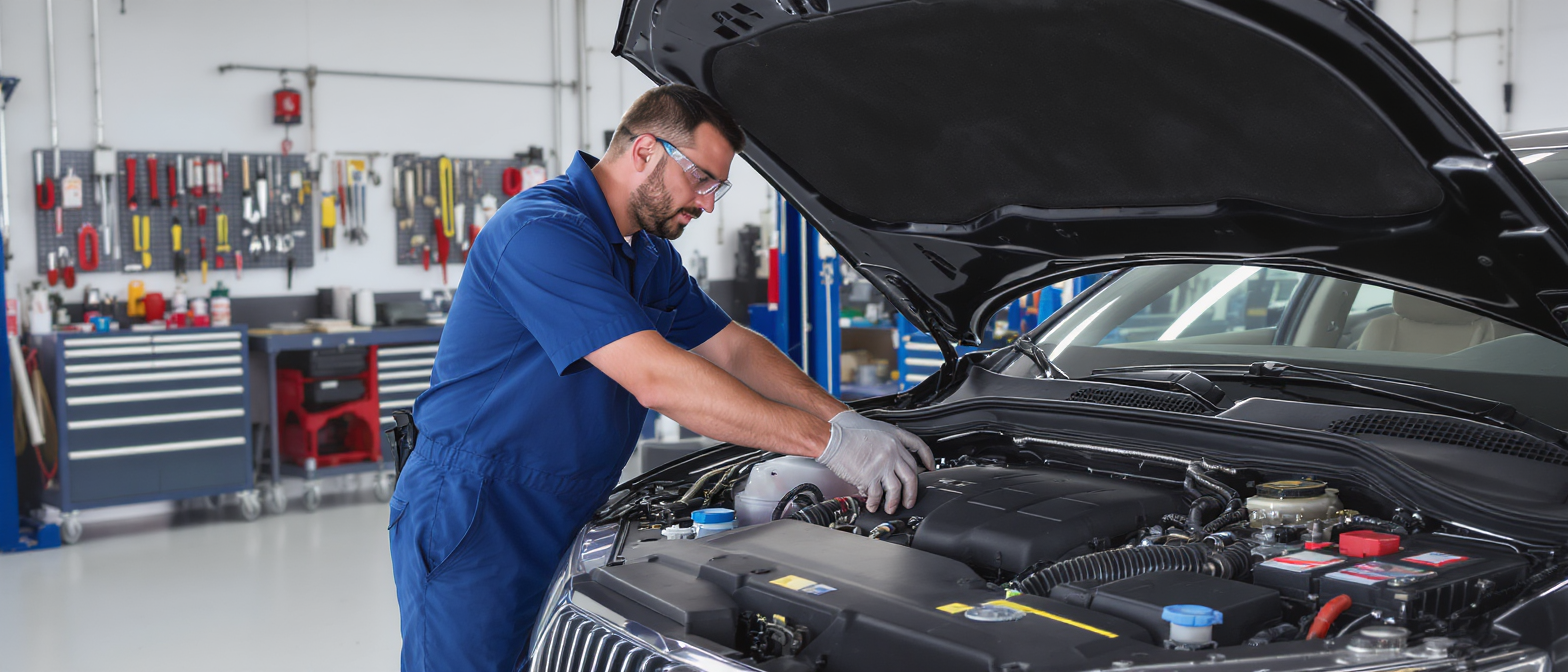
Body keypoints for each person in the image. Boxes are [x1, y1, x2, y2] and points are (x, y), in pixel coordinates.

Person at [388, 84, 933, 672]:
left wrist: (843, 417)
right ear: (645, 151)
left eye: (717, 187)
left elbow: (732, 347)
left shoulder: (646, 254)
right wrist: (829, 445)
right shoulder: (541, 233)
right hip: (478, 509)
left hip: (567, 503)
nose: (708, 204)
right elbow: (658, 378)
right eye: (703, 180)